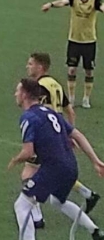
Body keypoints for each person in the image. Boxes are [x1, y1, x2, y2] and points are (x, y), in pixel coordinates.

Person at [10, 78, 104, 240]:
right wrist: (95, 161)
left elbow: (28, 152)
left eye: (18, 91)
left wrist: (15, 160)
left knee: (22, 205)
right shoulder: (50, 112)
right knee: (58, 201)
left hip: (53, 169)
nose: (15, 94)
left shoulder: (28, 117)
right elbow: (77, 135)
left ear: (24, 94)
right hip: (71, 166)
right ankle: (95, 231)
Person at [23, 53, 99, 228]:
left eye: (31, 64)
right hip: (59, 133)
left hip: (46, 136)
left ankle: (36, 218)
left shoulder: (39, 87)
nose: (27, 66)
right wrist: (68, 133)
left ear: (40, 67)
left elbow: (41, 112)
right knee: (56, 171)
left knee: (28, 173)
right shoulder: (55, 84)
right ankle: (87, 195)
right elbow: (70, 111)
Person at [42, 0, 104, 108]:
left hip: (89, 42)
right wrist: (51, 4)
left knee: (89, 71)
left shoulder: (95, 0)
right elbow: (62, 2)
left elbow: (102, 7)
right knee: (71, 70)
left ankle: (86, 98)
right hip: (74, 41)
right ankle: (71, 98)